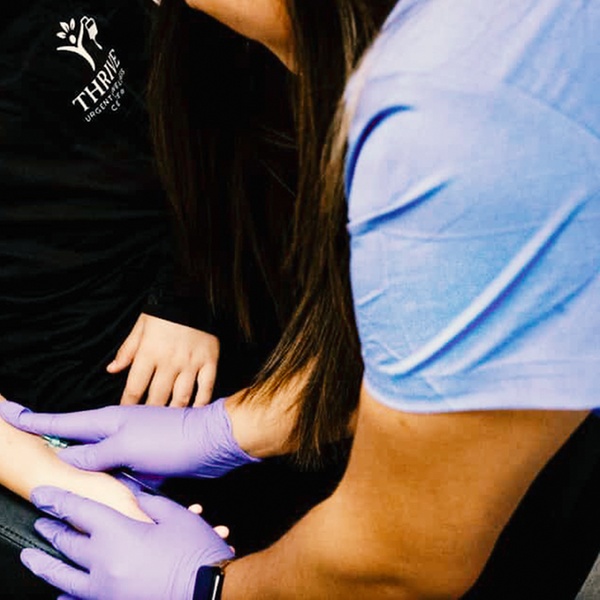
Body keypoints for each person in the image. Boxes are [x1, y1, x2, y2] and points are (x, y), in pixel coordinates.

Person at [2, 0, 599, 598]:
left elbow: (400, 562)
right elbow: (447, 338)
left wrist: (210, 589)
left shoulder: (449, 122)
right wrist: (234, 427)